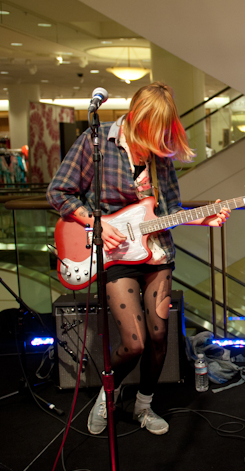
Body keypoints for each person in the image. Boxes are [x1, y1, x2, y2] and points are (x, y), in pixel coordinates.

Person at [47, 82, 230, 436]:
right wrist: (94, 222)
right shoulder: (96, 141)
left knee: (160, 336)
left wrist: (201, 217)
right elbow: (59, 192)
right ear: (135, 117)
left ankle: (143, 406)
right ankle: (107, 395)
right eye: (151, 129)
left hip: (156, 252)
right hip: (114, 254)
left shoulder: (161, 155)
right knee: (135, 342)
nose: (157, 139)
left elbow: (171, 210)